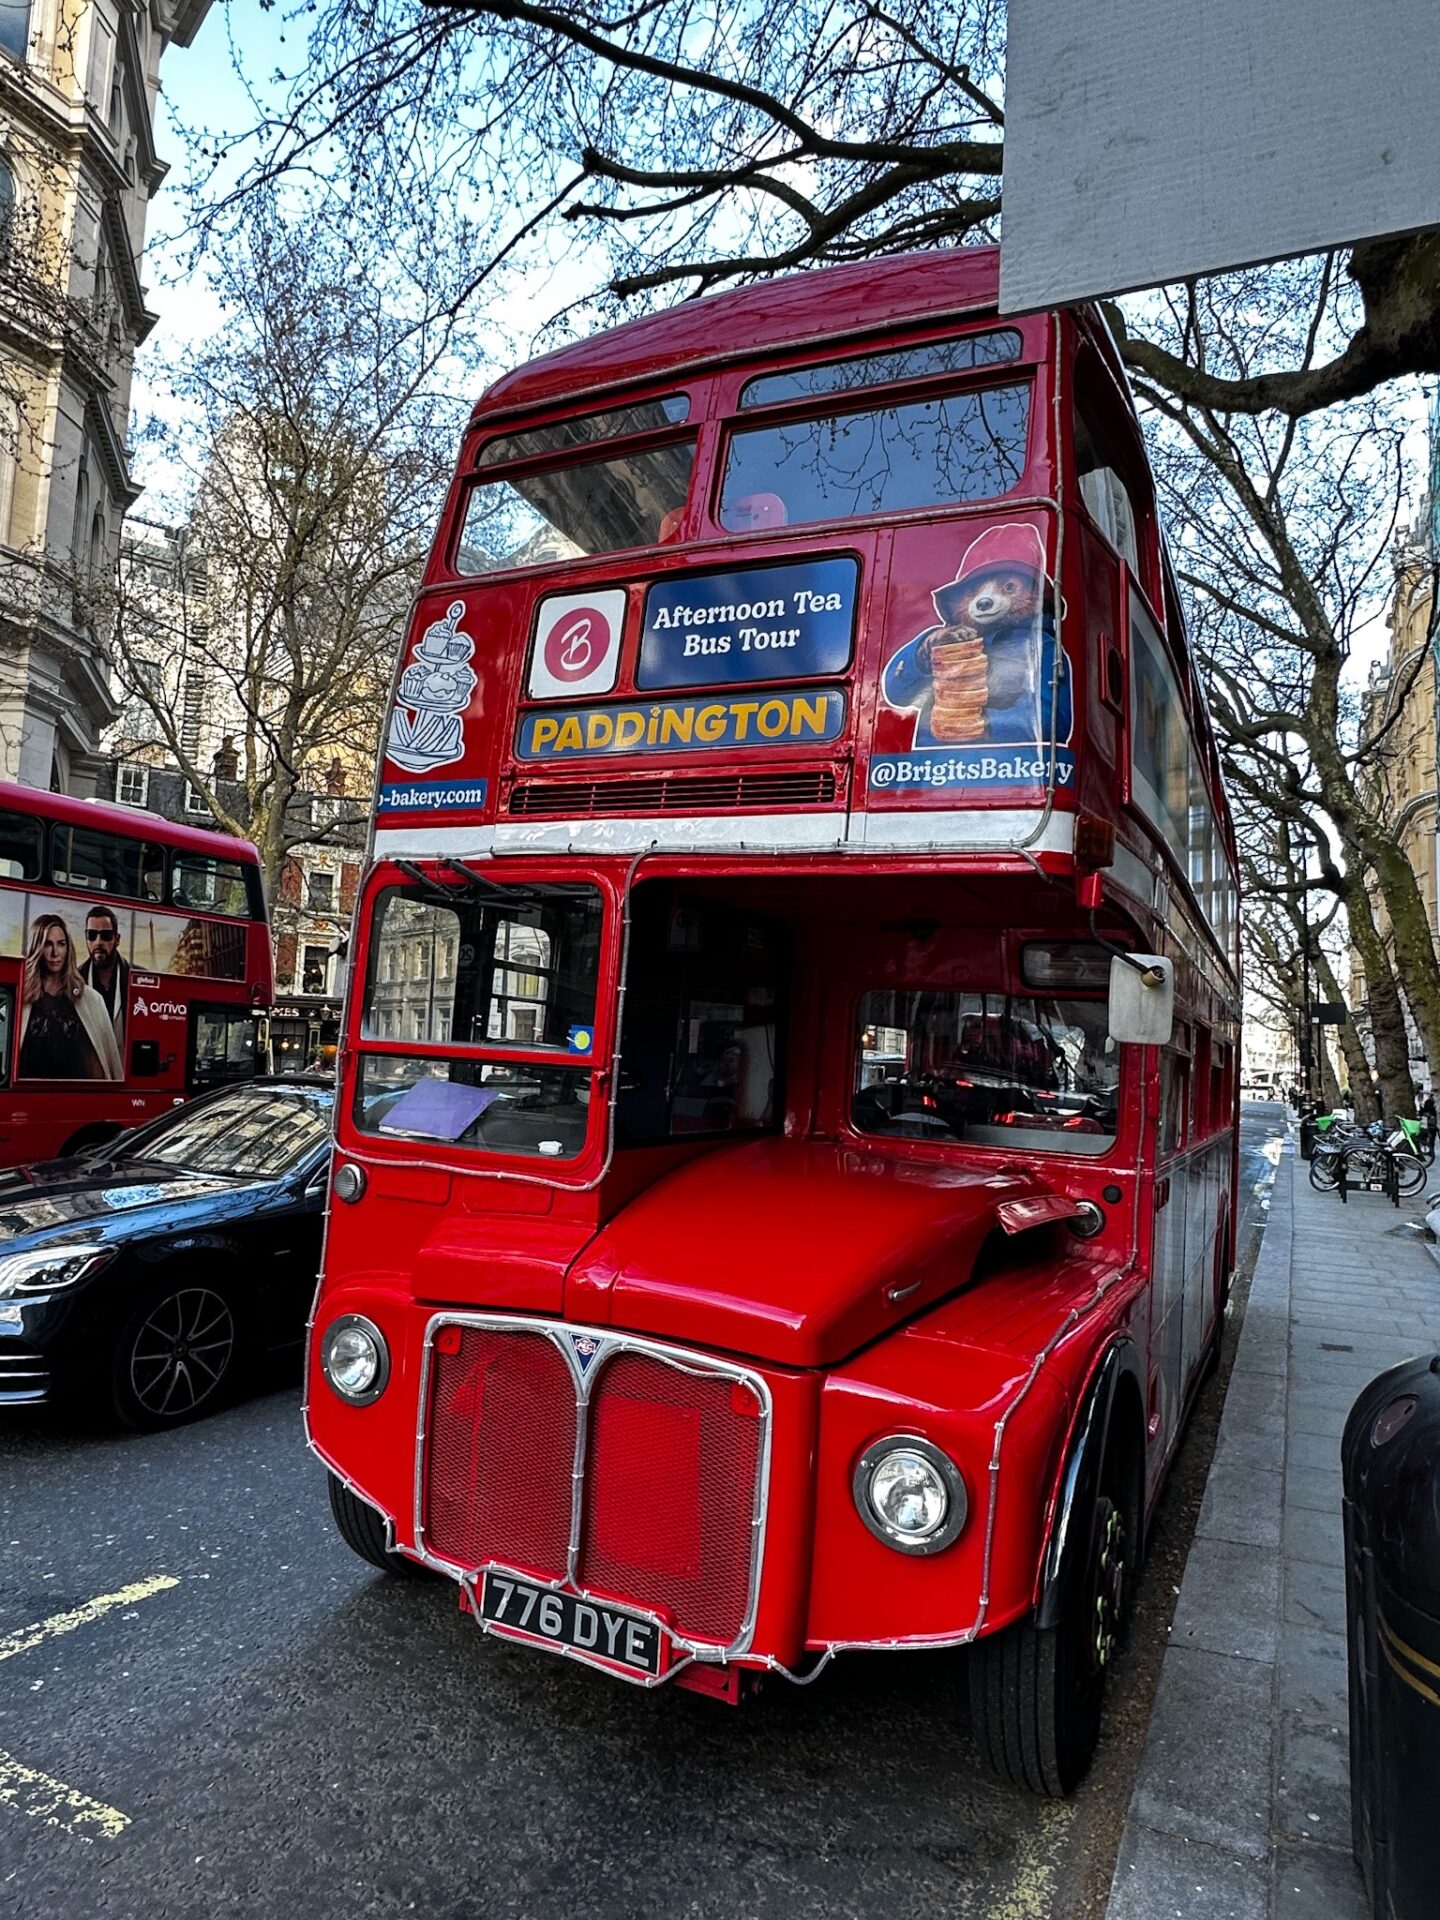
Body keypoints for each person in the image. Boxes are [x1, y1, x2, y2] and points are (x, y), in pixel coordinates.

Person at [18, 913, 124, 1081]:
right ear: (37, 948)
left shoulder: (90, 999)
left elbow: (104, 1061)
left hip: (75, 1096)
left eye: (61, 944)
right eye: (47, 944)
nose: (55, 953)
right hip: (28, 1094)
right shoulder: (20, 995)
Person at [78, 904, 130, 1052]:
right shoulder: (74, 981)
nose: (98, 942)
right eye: (92, 935)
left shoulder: (136, 978)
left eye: (106, 935)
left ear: (117, 939)